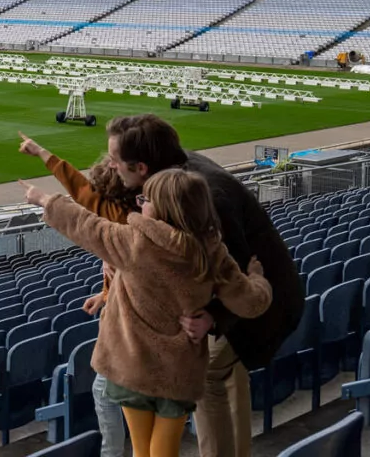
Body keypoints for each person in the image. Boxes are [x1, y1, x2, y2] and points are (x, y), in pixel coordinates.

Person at [20, 169, 273, 457]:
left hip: (132, 367)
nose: (140, 203)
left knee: (143, 449)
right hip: (179, 372)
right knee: (163, 448)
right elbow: (252, 302)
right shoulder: (212, 251)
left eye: (146, 199)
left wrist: (44, 200)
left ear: (165, 209)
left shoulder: (134, 242)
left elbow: (86, 224)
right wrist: (257, 278)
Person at [103, 115, 304, 457]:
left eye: (115, 160)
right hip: (267, 293)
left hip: (263, 300)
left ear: (141, 167)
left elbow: (236, 268)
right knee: (229, 373)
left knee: (205, 375)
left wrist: (213, 316)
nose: (109, 166)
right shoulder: (179, 174)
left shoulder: (206, 196)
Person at [18, 133, 136, 457]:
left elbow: (79, 197)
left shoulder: (118, 223)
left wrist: (44, 198)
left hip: (132, 336)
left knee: (108, 391)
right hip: (131, 329)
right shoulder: (124, 219)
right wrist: (104, 294)